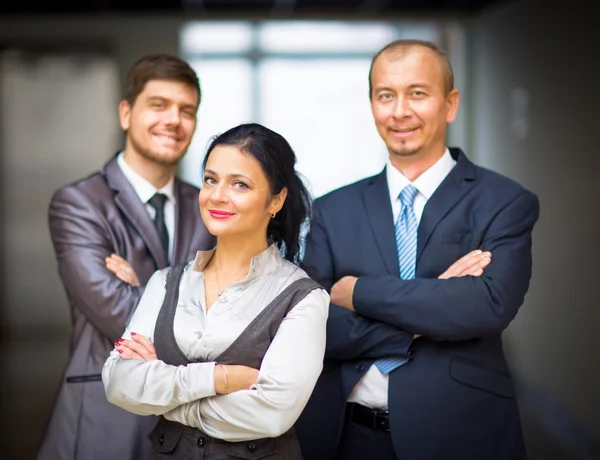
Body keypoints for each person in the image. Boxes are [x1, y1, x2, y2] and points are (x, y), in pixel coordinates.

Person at [295, 39, 540, 460]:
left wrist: (356, 293)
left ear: (450, 104)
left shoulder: (504, 201)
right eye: (385, 95)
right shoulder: (331, 211)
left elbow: (488, 305)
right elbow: (311, 327)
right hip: (346, 438)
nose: (400, 111)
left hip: (462, 434)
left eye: (418, 93)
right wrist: (433, 303)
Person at [102, 123, 330, 459]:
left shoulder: (303, 297)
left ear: (276, 200)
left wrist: (165, 401)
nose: (217, 195)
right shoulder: (165, 282)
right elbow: (118, 382)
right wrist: (219, 378)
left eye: (240, 184)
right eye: (211, 179)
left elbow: (272, 412)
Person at [37, 54, 215, 460]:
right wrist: (192, 310)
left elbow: (231, 315)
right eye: (159, 105)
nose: (174, 120)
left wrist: (143, 287)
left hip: (191, 425)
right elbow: (119, 316)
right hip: (106, 418)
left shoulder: (208, 206)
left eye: (187, 110)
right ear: (125, 113)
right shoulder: (80, 204)